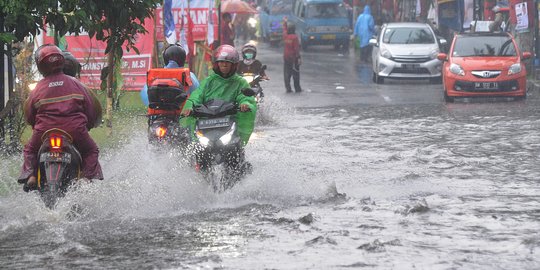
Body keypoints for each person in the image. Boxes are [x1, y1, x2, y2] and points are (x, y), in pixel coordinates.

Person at [18, 44, 103, 189]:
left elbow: (29, 114)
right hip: (75, 131)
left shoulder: (38, 88)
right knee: (91, 150)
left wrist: (35, 125)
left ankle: (31, 175)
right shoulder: (77, 84)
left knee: (30, 150)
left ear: (40, 66)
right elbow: (91, 109)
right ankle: (86, 179)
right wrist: (86, 125)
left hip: (44, 132)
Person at [181, 44, 257, 145]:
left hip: (229, 122)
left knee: (235, 146)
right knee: (195, 147)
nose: (224, 65)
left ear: (233, 65)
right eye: (221, 62)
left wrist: (245, 104)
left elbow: (245, 97)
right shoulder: (208, 82)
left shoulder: (240, 82)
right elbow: (197, 96)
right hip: (207, 124)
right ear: (216, 64)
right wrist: (190, 107)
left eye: (227, 62)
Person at [282, 17, 302, 93]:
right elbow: (296, 49)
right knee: (296, 73)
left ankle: (288, 88)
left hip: (286, 57)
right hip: (293, 58)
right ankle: (297, 88)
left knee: (287, 73)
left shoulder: (285, 36)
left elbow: (284, 30)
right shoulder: (295, 38)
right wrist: (299, 58)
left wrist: (285, 22)